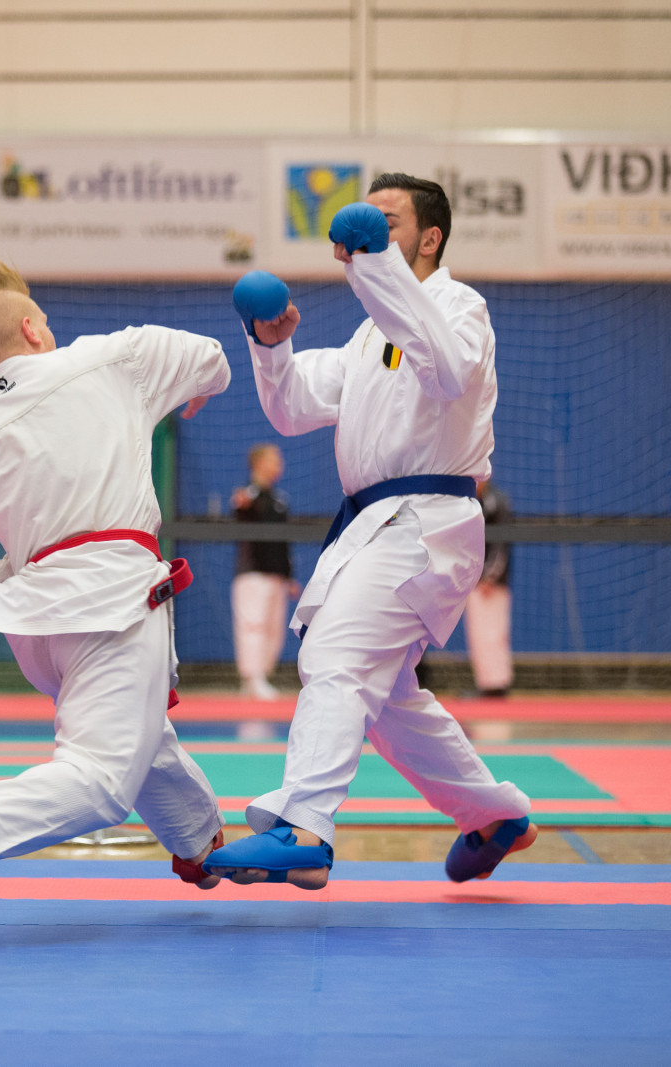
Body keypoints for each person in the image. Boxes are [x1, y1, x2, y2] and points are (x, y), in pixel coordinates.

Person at [205, 174, 535, 889]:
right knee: (387, 703)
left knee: (337, 654)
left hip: (427, 520)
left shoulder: (460, 307)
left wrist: (375, 265)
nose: (370, 234)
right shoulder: (367, 335)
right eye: (365, 222)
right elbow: (293, 408)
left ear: (430, 238)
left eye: (388, 222)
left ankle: (304, 826)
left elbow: (446, 371)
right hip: (378, 524)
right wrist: (271, 347)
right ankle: (493, 815)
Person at [0, 260, 231, 928]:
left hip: (37, 627)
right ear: (32, 329)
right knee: (101, 778)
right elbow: (212, 358)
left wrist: (19, 581)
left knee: (136, 727)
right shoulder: (111, 358)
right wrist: (199, 390)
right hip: (111, 595)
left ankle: (198, 841)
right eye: (44, 320)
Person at [230, 443, 301, 699]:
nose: (280, 464)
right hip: (252, 574)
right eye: (275, 459)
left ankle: (261, 677)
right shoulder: (248, 494)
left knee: (273, 631)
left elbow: (284, 543)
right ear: (260, 464)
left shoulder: (280, 500)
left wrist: (289, 576)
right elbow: (240, 506)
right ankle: (252, 678)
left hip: (277, 577)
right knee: (253, 626)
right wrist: (242, 502)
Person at [465, 479, 514, 697]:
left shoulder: (497, 502)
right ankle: (487, 683)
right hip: (476, 580)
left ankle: (496, 684)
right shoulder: (474, 502)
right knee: (479, 634)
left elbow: (501, 546)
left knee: (493, 633)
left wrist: (490, 578)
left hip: (491, 583)